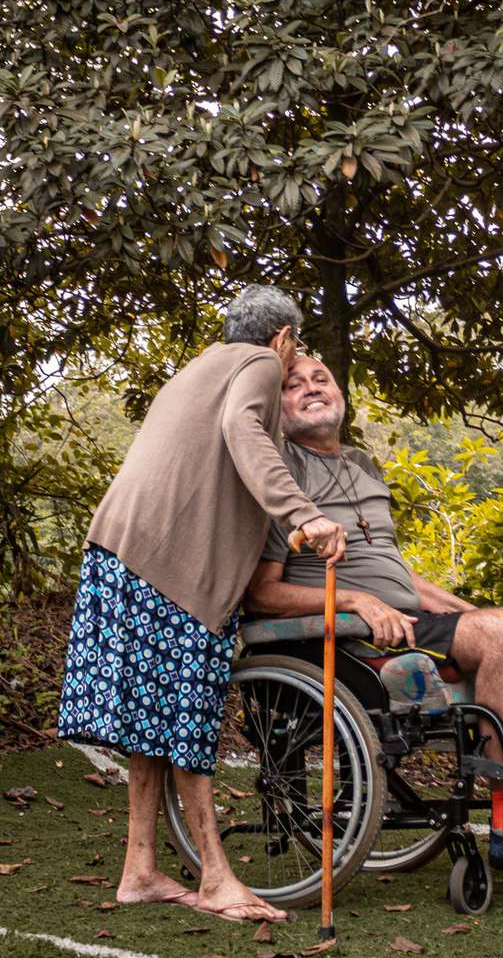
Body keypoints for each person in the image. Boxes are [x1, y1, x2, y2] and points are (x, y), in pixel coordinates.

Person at [245, 354, 503, 874]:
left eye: (322, 379)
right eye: (295, 385)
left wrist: (470, 611)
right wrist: (353, 600)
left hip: (410, 616)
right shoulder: (282, 474)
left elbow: (397, 573)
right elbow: (261, 594)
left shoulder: (361, 464)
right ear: (278, 407)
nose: (312, 389)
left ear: (341, 393)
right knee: (497, 634)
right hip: (353, 635)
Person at [58, 287, 347, 923]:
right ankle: (216, 878)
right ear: (281, 338)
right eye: (294, 345)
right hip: (173, 563)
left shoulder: (199, 365)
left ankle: (139, 870)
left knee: (154, 720)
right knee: (185, 718)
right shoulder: (260, 364)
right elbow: (242, 429)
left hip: (122, 550)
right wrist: (305, 513)